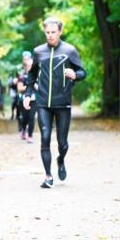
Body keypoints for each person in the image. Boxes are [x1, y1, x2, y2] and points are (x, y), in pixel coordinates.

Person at [23, 19, 85, 188]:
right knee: (44, 137)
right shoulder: (38, 51)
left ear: (60, 32)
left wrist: (75, 75)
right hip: (43, 102)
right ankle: (48, 176)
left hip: (62, 102)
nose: (50, 35)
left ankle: (61, 159)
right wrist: (28, 94)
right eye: (47, 32)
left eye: (53, 32)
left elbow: (82, 72)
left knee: (62, 143)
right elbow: (32, 75)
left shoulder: (69, 50)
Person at [15, 51, 35, 142]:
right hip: (23, 98)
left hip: (34, 99)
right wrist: (29, 86)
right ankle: (23, 129)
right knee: (25, 117)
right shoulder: (22, 75)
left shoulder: (37, 75)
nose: (30, 67)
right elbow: (19, 88)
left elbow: (41, 88)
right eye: (28, 65)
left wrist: (35, 86)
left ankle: (30, 135)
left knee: (31, 117)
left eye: (31, 65)